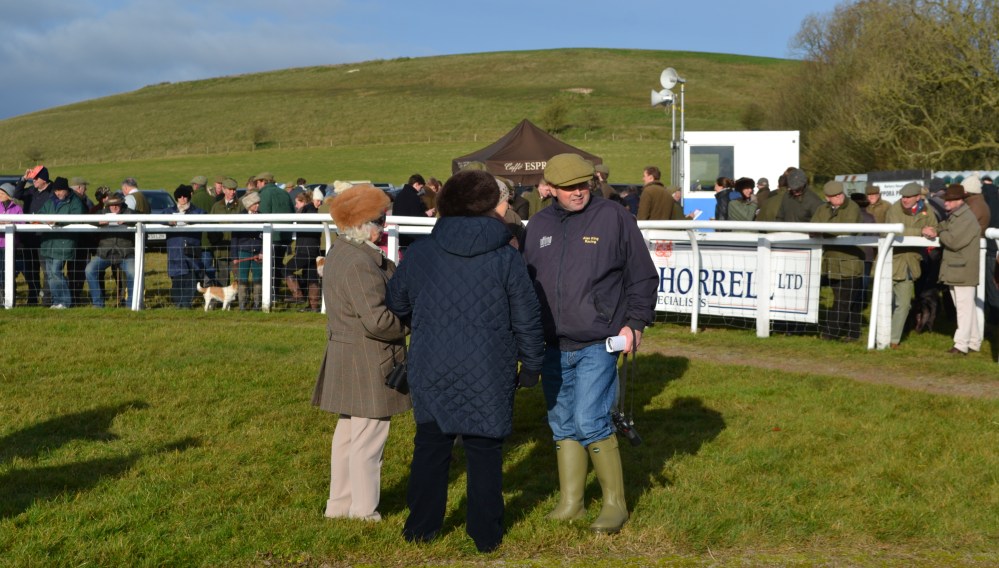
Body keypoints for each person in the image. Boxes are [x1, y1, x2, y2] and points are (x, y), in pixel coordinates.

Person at [385, 169, 543, 553]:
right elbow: (527, 315)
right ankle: (485, 535)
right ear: (489, 207)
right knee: (484, 451)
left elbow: (396, 302)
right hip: (489, 367)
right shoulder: (506, 257)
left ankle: (420, 528)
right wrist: (533, 364)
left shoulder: (423, 252)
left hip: (431, 364)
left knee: (431, 446)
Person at [521, 153, 658, 535]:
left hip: (600, 341)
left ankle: (616, 505)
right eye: (569, 188)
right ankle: (572, 502)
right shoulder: (539, 226)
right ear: (550, 189)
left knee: (590, 419)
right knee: (561, 422)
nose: (578, 192)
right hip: (550, 345)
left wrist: (635, 323)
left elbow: (642, 276)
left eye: (584, 184)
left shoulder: (615, 218)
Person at [311, 183, 410, 522]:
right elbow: (379, 322)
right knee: (368, 441)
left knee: (349, 438)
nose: (384, 226)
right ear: (363, 223)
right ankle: (363, 511)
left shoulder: (341, 252)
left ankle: (340, 506)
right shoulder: (360, 262)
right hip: (369, 360)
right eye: (380, 219)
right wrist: (412, 322)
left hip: (349, 355)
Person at [922, 184, 982, 355]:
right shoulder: (957, 215)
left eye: (949, 200)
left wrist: (937, 234)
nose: (945, 203)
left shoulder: (965, 218)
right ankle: (974, 341)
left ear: (959, 201)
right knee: (965, 308)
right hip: (957, 268)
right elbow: (944, 226)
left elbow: (954, 241)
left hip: (961, 269)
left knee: (963, 309)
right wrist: (936, 229)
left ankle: (961, 345)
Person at [885, 182, 938, 348]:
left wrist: (934, 231)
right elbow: (893, 230)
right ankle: (883, 335)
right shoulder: (894, 209)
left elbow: (934, 227)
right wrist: (920, 231)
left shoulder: (927, 210)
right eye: (903, 196)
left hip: (911, 263)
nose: (904, 200)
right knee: (886, 302)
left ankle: (893, 340)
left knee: (904, 304)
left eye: (908, 197)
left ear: (918, 197)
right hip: (891, 261)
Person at [810, 181, 865, 341]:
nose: (839, 197)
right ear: (827, 198)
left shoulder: (852, 207)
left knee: (843, 301)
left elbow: (846, 228)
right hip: (831, 261)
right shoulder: (822, 209)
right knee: (847, 301)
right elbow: (813, 226)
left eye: (840, 194)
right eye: (834, 196)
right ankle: (854, 333)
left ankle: (830, 334)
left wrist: (823, 230)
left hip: (850, 261)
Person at [38, 177, 86, 309]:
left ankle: (64, 301)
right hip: (49, 242)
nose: (58, 193)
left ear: (66, 190)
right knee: (50, 273)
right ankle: (56, 301)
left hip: (64, 242)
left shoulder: (75, 202)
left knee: (56, 271)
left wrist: (58, 222)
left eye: (60, 190)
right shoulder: (50, 201)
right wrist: (44, 220)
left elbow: (78, 218)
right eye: (56, 190)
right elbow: (41, 213)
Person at [11, 166, 53, 305]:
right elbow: (16, 195)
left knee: (47, 270)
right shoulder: (30, 191)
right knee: (31, 270)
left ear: (44, 179)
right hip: (29, 237)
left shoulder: (52, 192)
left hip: (45, 238)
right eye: (33, 178)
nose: (33, 180)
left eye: (36, 178)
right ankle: (33, 298)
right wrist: (23, 179)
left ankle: (47, 299)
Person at [85, 195, 136, 308]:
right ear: (108, 205)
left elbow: (140, 219)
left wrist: (127, 222)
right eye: (111, 205)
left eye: (117, 204)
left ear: (121, 204)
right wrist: (98, 222)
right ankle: (98, 304)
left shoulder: (129, 213)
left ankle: (131, 304)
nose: (114, 207)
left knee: (133, 273)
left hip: (126, 253)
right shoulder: (102, 213)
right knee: (89, 270)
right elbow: (88, 219)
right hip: (105, 253)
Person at [165, 184, 206, 308]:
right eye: (180, 196)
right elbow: (158, 218)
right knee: (176, 279)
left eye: (185, 196)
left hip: (191, 250)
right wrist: (168, 221)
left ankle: (186, 303)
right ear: (176, 198)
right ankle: (179, 303)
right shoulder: (169, 211)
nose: (183, 199)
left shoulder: (196, 211)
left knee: (191, 277)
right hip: (174, 250)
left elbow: (203, 216)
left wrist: (190, 220)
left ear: (189, 197)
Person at [286, 192, 322, 311]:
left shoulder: (307, 211)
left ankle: (298, 296)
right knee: (311, 276)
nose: (296, 206)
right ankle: (314, 306)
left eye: (297, 203)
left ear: (303, 202)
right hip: (313, 249)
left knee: (286, 270)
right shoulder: (313, 211)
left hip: (305, 250)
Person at [208, 178, 244, 286]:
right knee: (222, 277)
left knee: (240, 277)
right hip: (221, 249)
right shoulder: (216, 206)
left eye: (234, 189)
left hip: (237, 249)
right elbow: (211, 226)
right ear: (223, 190)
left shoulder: (241, 206)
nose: (233, 192)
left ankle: (242, 301)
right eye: (230, 189)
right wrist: (216, 241)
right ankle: (222, 300)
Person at [232, 191, 264, 310]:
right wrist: (234, 256)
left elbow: (265, 236)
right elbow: (234, 238)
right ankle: (242, 304)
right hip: (243, 252)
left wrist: (262, 251)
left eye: (258, 203)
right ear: (249, 204)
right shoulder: (240, 217)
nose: (257, 206)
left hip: (257, 253)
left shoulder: (262, 217)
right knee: (242, 278)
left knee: (257, 278)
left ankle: (257, 304)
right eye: (255, 204)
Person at [0, 183, 25, 299]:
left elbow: (22, 223)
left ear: (9, 195)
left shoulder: (17, 208)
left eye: (2, 193)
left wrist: (10, 223)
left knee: (9, 272)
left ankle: (10, 296)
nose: (0, 195)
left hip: (10, 246)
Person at [392, 174, 430, 247]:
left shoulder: (399, 195)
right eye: (421, 187)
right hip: (411, 235)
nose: (420, 190)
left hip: (399, 234)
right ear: (416, 184)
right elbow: (416, 217)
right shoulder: (414, 197)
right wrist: (427, 214)